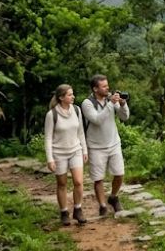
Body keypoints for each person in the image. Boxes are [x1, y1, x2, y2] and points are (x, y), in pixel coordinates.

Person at [82, 74, 130, 216]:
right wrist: (110, 104)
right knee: (98, 178)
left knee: (119, 173)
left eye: (107, 86)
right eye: (104, 86)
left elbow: (124, 117)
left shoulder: (111, 100)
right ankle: (102, 206)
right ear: (95, 89)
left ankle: (113, 197)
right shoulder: (87, 103)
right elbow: (97, 120)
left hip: (113, 142)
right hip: (96, 146)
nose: (107, 88)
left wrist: (122, 105)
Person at [44, 84, 88, 226]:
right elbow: (48, 138)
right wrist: (50, 159)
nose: (73, 96)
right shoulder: (52, 115)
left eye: (72, 94)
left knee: (78, 182)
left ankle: (78, 209)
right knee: (62, 183)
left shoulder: (77, 110)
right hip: (59, 153)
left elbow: (81, 131)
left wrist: (84, 150)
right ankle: (64, 211)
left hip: (75, 150)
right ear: (61, 97)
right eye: (69, 95)